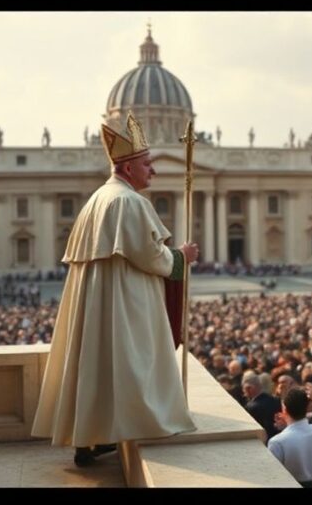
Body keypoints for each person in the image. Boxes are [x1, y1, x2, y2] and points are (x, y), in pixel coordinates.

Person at [31, 112, 198, 466]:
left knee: (95, 368)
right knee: (127, 366)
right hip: (123, 302)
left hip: (101, 301)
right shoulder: (128, 201)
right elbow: (150, 255)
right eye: (147, 164)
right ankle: (141, 422)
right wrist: (181, 256)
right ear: (126, 168)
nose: (153, 171)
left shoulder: (98, 199)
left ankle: (89, 438)